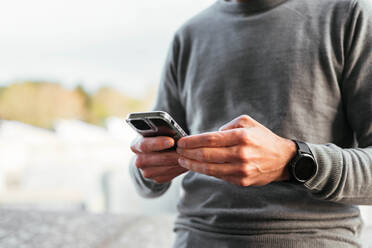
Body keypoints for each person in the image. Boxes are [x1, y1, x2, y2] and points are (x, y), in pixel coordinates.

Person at [129, 0, 372, 247]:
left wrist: (295, 161)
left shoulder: (348, 13)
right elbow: (144, 178)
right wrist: (147, 165)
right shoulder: (189, 34)